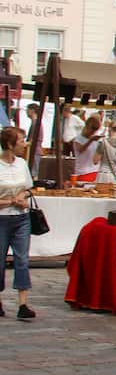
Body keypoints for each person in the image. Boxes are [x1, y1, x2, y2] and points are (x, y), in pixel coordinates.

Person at [0, 126, 34, 319]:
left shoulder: (22, 163)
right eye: (21, 141)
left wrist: (23, 195)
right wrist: (11, 201)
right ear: (10, 144)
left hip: (21, 218)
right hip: (2, 219)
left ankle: (23, 303)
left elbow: (29, 187)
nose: (24, 144)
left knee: (22, 259)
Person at [70, 114, 103, 185]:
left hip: (95, 171)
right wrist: (90, 140)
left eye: (96, 129)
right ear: (87, 126)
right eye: (93, 128)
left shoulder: (97, 140)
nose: (94, 131)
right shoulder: (78, 139)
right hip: (82, 172)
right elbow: (80, 150)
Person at [23, 103, 41, 171]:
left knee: (33, 174)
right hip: (33, 151)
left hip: (34, 152)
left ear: (32, 110)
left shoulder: (36, 124)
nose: (26, 111)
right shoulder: (34, 123)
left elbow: (32, 140)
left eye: (27, 109)